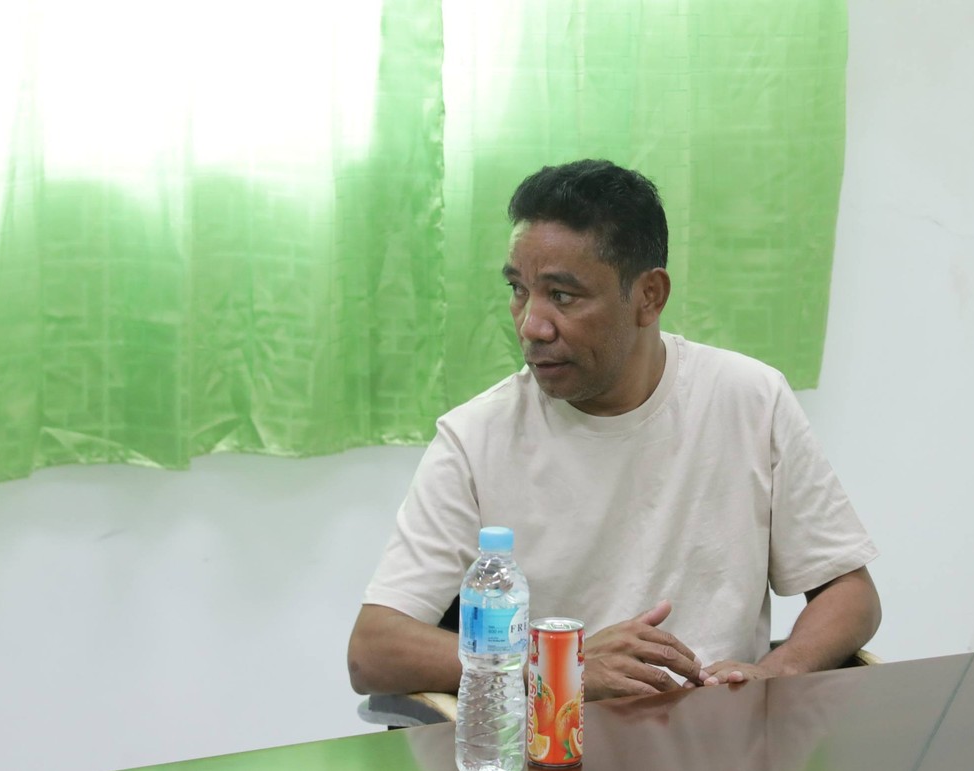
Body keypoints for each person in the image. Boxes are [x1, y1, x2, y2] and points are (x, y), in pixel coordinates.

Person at [348, 159, 881, 702]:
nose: (532, 325)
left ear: (649, 296)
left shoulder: (749, 398)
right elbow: (374, 650)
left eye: (562, 295)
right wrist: (559, 663)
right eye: (518, 289)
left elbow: (849, 592)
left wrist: (778, 671)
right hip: (558, 736)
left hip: (716, 730)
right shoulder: (475, 437)